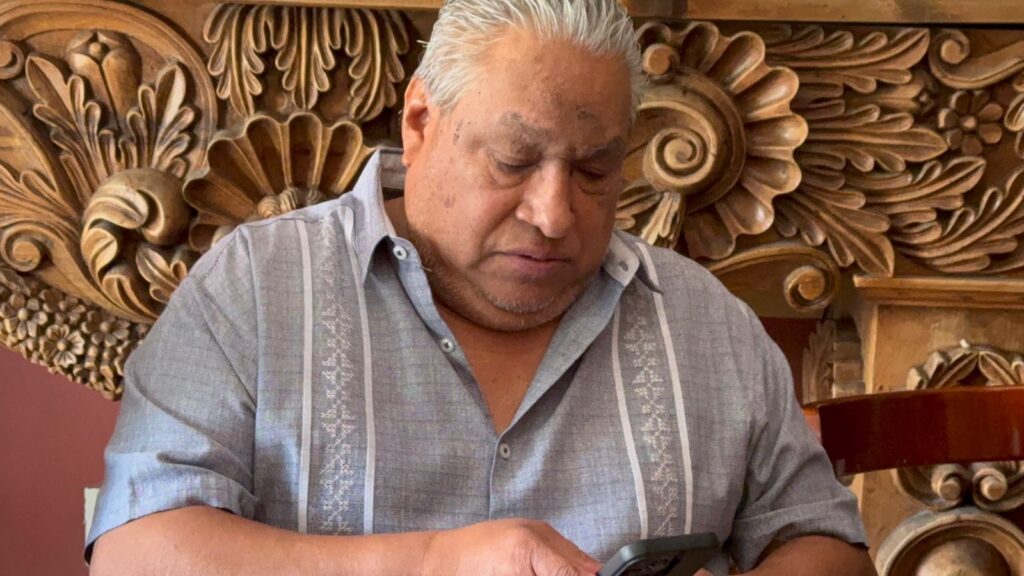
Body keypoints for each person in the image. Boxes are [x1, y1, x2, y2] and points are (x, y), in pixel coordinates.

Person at [87, 1, 875, 574]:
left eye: (594, 170)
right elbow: (134, 551)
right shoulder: (256, 289)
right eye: (513, 161)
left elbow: (825, 542)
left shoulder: (704, 322)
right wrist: (433, 561)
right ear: (420, 122)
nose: (554, 214)